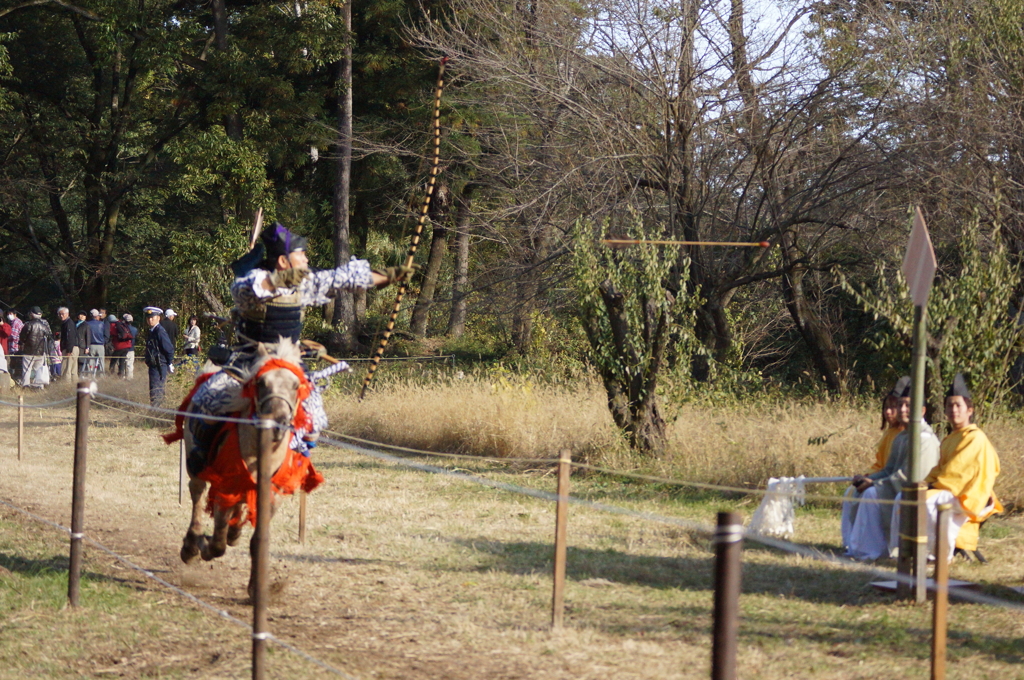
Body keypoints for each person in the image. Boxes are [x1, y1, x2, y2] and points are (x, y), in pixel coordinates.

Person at [181, 222, 413, 474]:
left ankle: (294, 463)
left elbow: (345, 277)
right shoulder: (253, 280)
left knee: (312, 419)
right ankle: (201, 458)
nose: (306, 258)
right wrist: (281, 279)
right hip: (248, 362)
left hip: (289, 363)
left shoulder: (305, 282)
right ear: (283, 261)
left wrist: (392, 274)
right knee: (206, 400)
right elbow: (247, 288)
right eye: (300, 255)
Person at [844, 379, 941, 561]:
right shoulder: (902, 437)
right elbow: (889, 469)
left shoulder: (925, 439)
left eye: (908, 406)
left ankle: (873, 550)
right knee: (857, 490)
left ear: (922, 411)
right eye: (901, 405)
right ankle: (856, 546)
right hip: (895, 487)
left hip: (916, 494)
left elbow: (912, 477)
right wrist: (869, 479)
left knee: (872, 493)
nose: (903, 410)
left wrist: (874, 484)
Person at [917, 374, 1002, 563]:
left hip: (971, 496)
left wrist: (933, 487)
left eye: (958, 406)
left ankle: (938, 556)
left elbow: (959, 474)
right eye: (949, 406)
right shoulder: (950, 439)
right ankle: (908, 551)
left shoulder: (975, 437)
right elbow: (940, 469)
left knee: (930, 502)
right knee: (906, 497)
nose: (953, 410)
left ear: (969, 410)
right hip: (951, 490)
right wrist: (925, 483)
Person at [840, 378, 908, 549]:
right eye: (886, 408)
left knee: (869, 493)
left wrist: (873, 481)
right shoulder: (890, 434)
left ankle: (870, 544)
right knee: (851, 491)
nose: (889, 412)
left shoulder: (904, 435)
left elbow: (896, 471)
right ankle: (850, 542)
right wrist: (866, 476)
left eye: (893, 407)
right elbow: (881, 464)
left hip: (895, 486)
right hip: (882, 478)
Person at [143, 307, 175, 406]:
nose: (150, 320)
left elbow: (168, 348)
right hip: (154, 365)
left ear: (158, 318)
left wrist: (169, 362)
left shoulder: (159, 331)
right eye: (148, 318)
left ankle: (156, 412)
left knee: (157, 390)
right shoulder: (153, 330)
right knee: (154, 389)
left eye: (153, 317)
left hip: (159, 365)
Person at [19, 307, 53, 388]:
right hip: (40, 351)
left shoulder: (28, 325)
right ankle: (39, 386)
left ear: (32, 314)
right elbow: (49, 337)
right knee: (39, 370)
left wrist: (23, 343)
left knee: (27, 370)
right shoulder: (44, 326)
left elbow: (22, 338)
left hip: (29, 351)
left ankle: (26, 385)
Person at [85, 309, 109, 375]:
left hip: (90, 345)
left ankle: (90, 375)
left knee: (90, 361)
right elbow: (106, 335)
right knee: (101, 362)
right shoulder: (102, 324)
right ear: (97, 316)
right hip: (100, 345)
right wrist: (103, 342)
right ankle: (101, 375)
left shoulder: (87, 324)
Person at [58, 307, 78, 381]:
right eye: (59, 314)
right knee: (72, 370)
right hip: (71, 348)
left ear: (67, 314)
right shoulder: (66, 323)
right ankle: (74, 386)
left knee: (66, 369)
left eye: (63, 314)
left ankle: (66, 386)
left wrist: (69, 350)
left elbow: (70, 337)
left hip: (70, 348)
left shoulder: (68, 323)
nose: (61, 316)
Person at [6, 309, 23, 382]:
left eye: (10, 313)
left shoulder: (16, 323)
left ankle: (15, 380)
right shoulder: (12, 322)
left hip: (15, 347)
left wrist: (5, 336)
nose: (9, 315)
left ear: (15, 314)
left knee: (14, 365)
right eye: (8, 314)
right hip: (13, 347)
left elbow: (13, 335)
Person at [121, 314, 138, 380]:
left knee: (122, 363)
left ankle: (122, 376)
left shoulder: (122, 328)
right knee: (130, 364)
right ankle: (130, 378)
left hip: (123, 348)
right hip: (131, 349)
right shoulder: (135, 329)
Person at [75, 311, 90, 375]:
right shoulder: (75, 324)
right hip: (75, 345)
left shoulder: (86, 325)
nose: (81, 316)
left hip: (82, 346)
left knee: (82, 361)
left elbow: (88, 336)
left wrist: (87, 347)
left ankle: (83, 375)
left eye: (83, 315)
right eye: (80, 315)